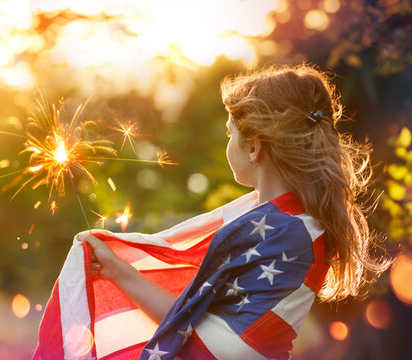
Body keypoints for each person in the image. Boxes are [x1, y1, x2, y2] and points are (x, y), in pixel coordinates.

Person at [76, 64, 391, 359]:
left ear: (253, 147)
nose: (228, 142)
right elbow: (190, 323)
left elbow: (227, 347)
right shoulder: (270, 221)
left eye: (230, 134)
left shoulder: (292, 232)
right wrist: (116, 270)